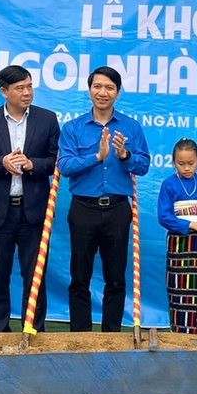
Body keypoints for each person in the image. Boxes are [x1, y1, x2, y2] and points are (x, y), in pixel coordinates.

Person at [57, 66, 150, 332]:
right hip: (83, 209)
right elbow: (65, 165)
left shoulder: (130, 127)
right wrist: (96, 157)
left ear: (117, 93)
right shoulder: (73, 128)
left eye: (109, 87)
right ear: (89, 90)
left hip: (117, 210)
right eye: (97, 86)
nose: (103, 92)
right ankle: (81, 337)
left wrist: (124, 155)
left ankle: (112, 337)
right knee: (79, 277)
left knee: (116, 279)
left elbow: (143, 165)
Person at [0, 65, 60, 333]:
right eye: (20, 88)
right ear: (4, 91)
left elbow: (56, 161)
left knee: (35, 277)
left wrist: (32, 164)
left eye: (29, 86)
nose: (27, 92)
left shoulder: (47, 119)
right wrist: (1, 162)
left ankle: (33, 331)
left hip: (34, 212)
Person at [156, 138, 197, 334]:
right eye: (181, 164)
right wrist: (190, 224)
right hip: (179, 244)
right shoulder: (169, 184)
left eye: (191, 163)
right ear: (174, 162)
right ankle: (182, 330)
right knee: (180, 287)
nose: (187, 168)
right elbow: (164, 216)